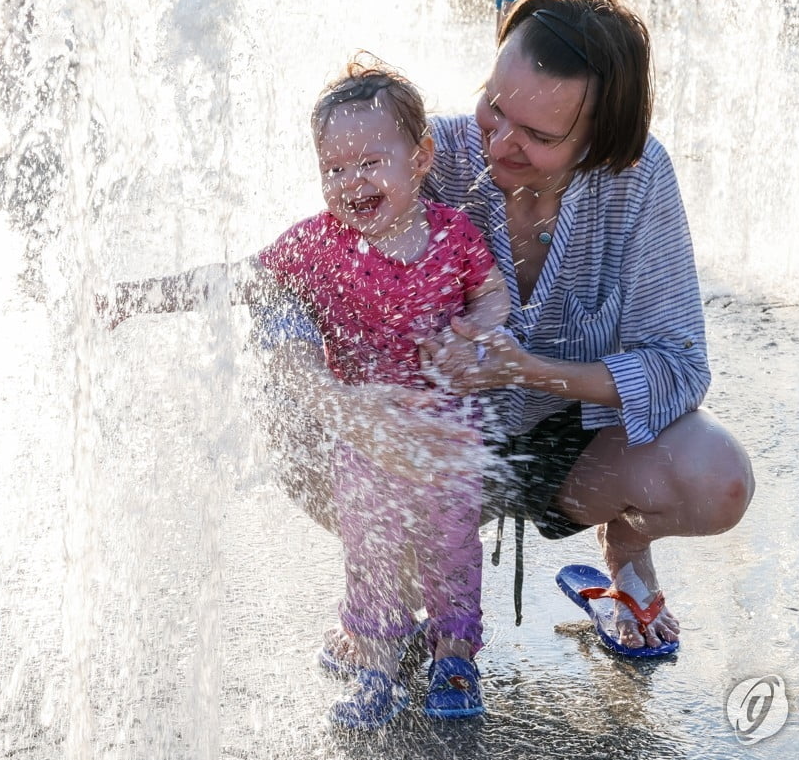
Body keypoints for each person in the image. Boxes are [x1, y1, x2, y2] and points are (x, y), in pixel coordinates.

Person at [282, 0, 755, 666]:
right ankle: (386, 594)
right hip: (440, 446)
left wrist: (530, 371)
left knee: (719, 478)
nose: (499, 142)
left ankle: (624, 550)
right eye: (494, 107)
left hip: (579, 446)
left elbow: (680, 369)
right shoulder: (423, 157)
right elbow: (300, 278)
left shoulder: (637, 176)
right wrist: (330, 391)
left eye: (537, 136)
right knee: (298, 427)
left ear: (601, 142)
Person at [99, 61, 511, 727]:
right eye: (334, 169)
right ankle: (378, 666)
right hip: (365, 440)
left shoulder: (453, 235)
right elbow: (234, 277)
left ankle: (455, 656)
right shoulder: (320, 244)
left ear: (421, 158)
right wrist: (134, 297)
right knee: (369, 551)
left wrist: (478, 334)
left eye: (371, 161)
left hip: (443, 434)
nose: (351, 183)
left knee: (452, 549)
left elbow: (492, 294)